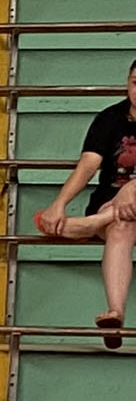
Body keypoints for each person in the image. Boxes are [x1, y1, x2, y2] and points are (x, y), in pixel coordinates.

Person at [32, 60, 136, 349]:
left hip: (116, 207)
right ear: (127, 83)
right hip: (115, 211)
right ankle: (115, 313)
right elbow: (88, 165)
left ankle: (90, 225)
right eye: (135, 83)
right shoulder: (110, 118)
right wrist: (59, 204)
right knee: (121, 228)